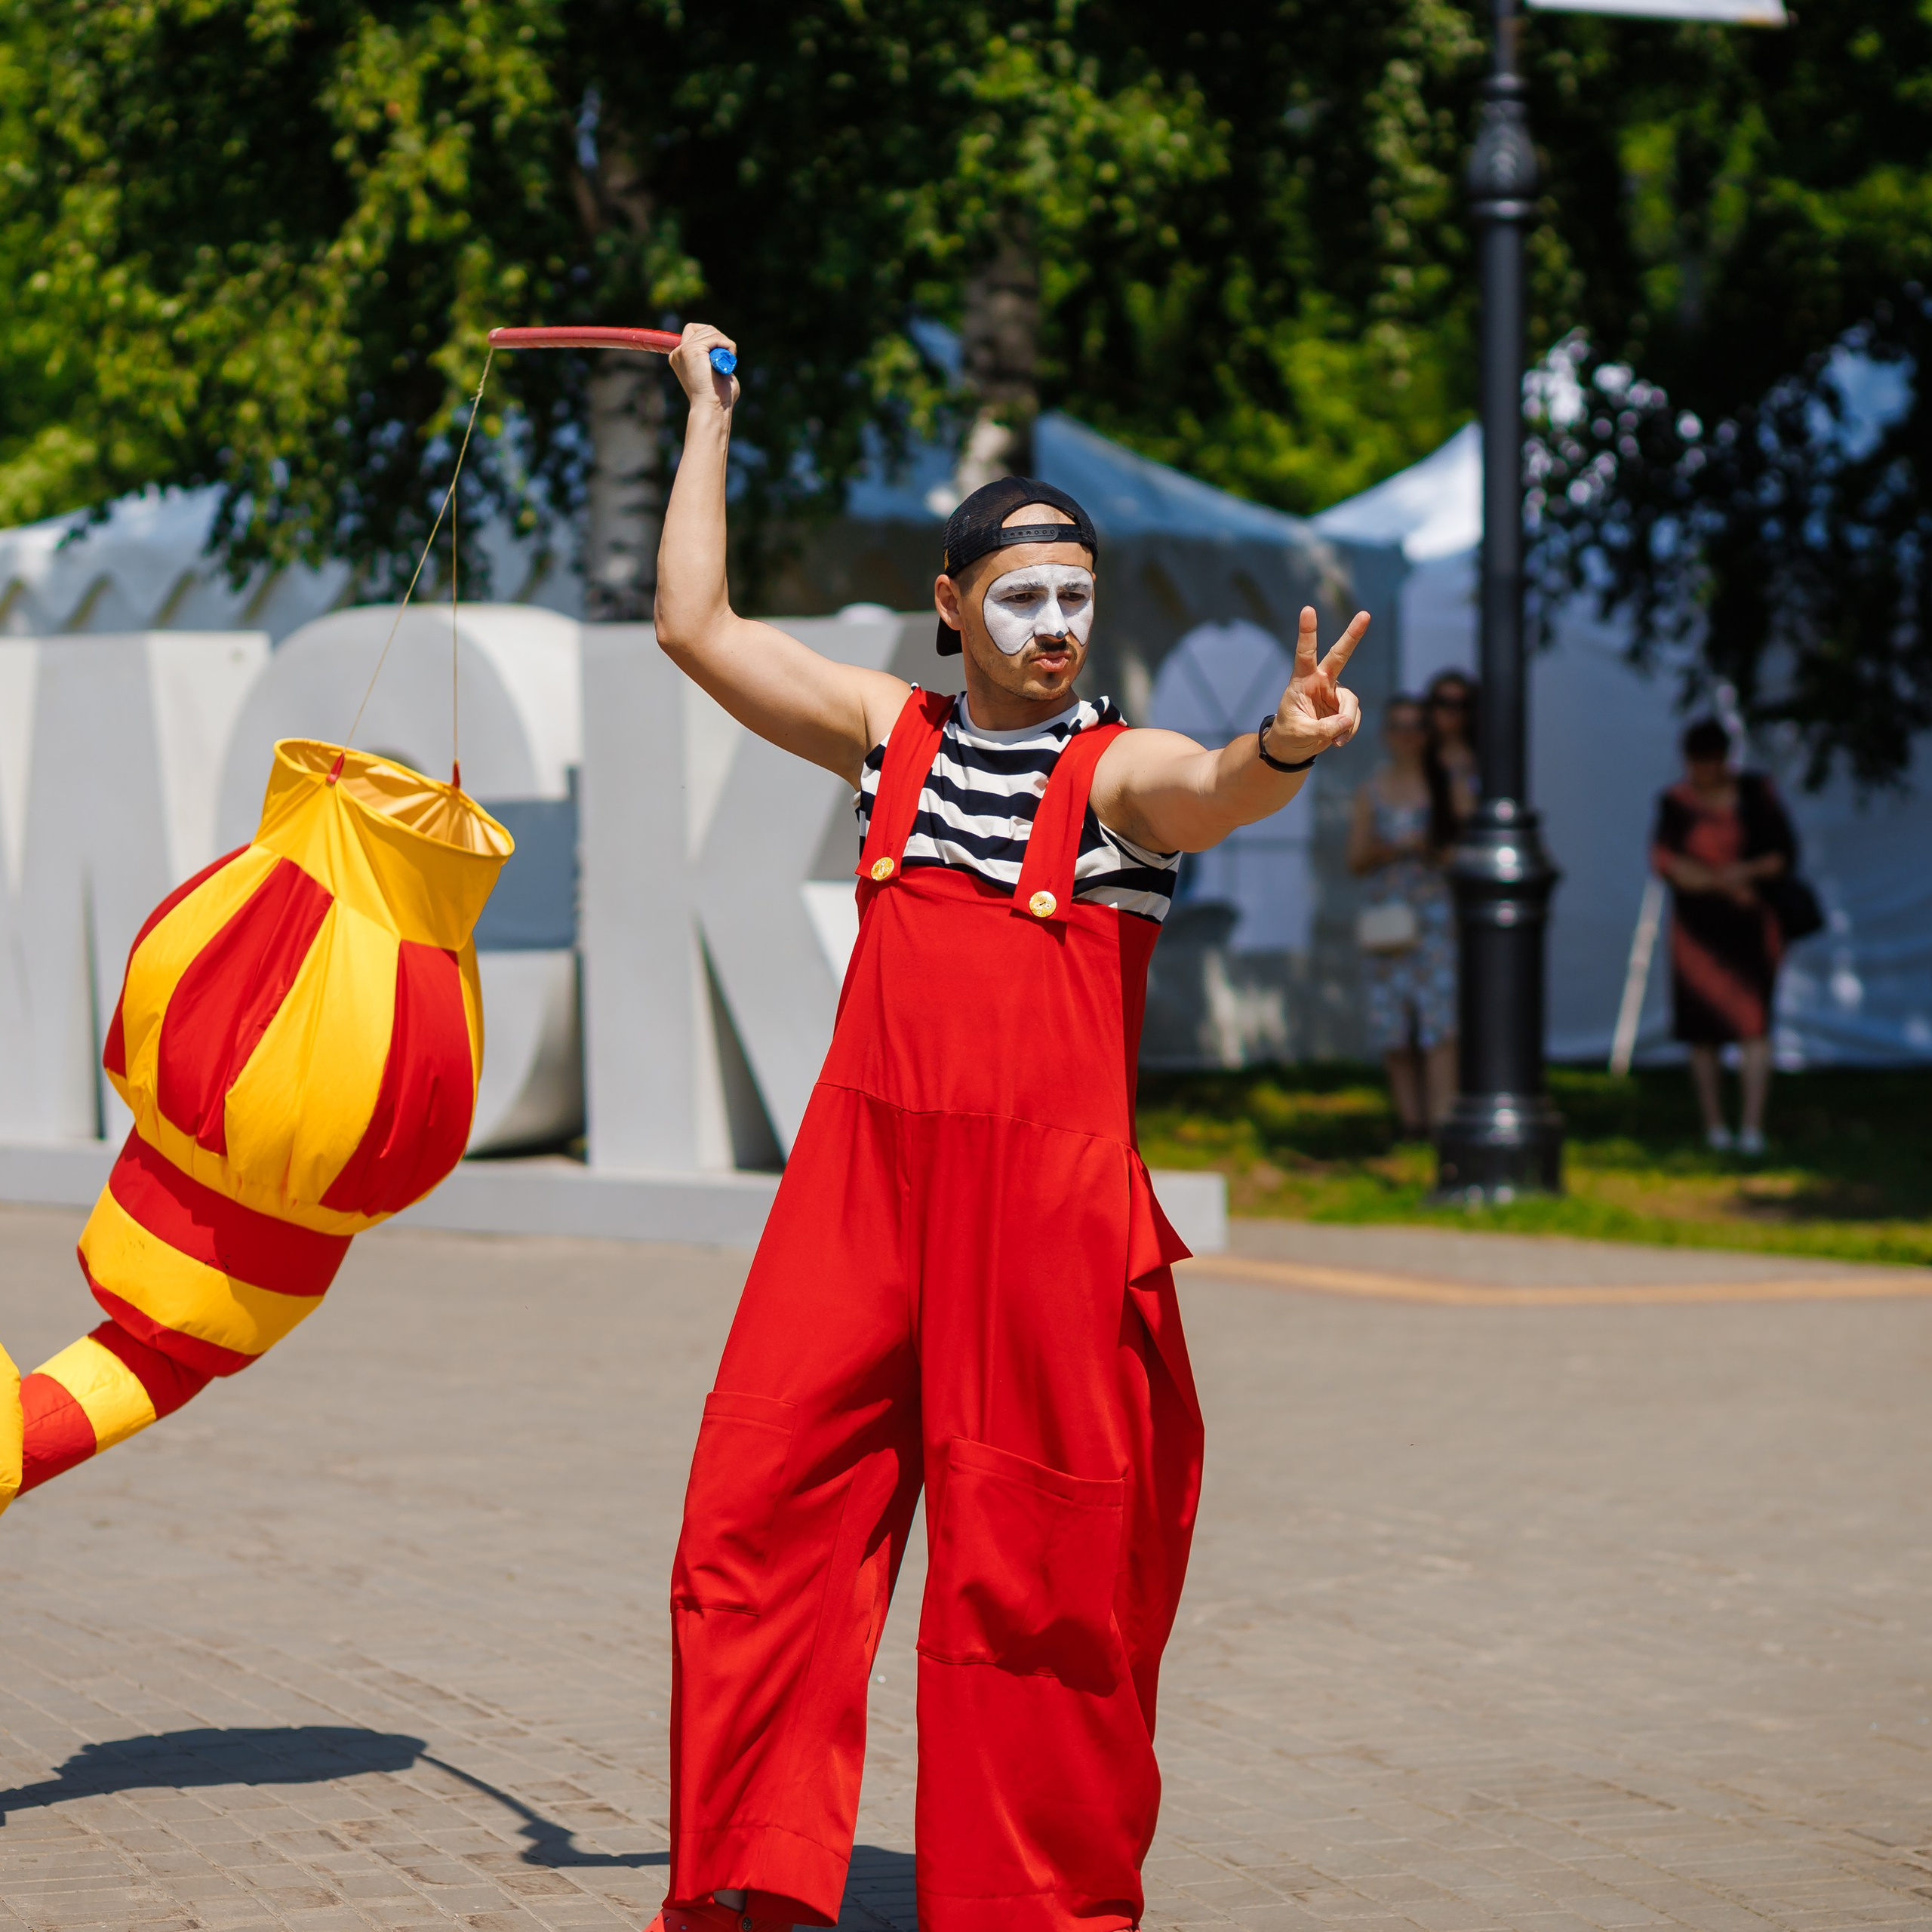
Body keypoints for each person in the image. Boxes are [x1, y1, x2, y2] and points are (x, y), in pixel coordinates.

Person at [644, 321, 1366, 1932]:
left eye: (1076, 603)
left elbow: (1200, 791)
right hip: (862, 1188)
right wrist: (708, 413)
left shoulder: (1111, 775)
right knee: (751, 1512)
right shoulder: (884, 738)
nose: (1054, 629)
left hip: (1040, 1224)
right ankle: (749, 1879)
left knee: (1029, 1576)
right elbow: (689, 622)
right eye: (1022, 600)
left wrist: (1279, 750)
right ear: (951, 607)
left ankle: (1025, 1906)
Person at [1651, 715, 1796, 1156]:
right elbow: (1666, 862)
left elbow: (1783, 854)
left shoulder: (1755, 794)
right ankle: (1714, 1126)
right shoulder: (1675, 803)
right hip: (1699, 932)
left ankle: (1752, 1128)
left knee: (1754, 1024)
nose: (1705, 770)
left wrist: (1742, 874)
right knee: (1702, 1030)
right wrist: (1724, 883)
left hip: (1749, 929)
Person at [1347, 695, 1458, 1138]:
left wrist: (1431, 849)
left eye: (1416, 726)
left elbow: (1465, 850)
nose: (1407, 736)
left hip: (1435, 915)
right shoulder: (1371, 790)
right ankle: (1412, 1124)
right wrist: (1388, 850)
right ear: (1386, 733)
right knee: (1392, 1023)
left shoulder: (1448, 785)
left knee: (1440, 1022)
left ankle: (1444, 1120)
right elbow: (1354, 858)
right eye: (1399, 726)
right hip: (1388, 916)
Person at [1423, 669, 1479, 844]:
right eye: (1443, 703)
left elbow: (1466, 813)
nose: (1451, 712)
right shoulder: (1419, 754)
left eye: (1461, 704)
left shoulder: (1485, 757)